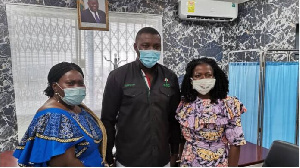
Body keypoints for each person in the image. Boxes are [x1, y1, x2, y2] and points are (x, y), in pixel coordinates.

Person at [101, 27, 181, 167]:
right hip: (128, 159)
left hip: (161, 159)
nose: (151, 50)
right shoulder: (118, 76)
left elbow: (174, 119)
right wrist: (107, 154)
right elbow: (108, 120)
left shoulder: (170, 77)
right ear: (135, 47)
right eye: (145, 45)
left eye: (156, 46)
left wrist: (174, 152)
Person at [13, 62, 107, 167]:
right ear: (55, 86)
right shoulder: (54, 117)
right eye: (70, 83)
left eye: (80, 83)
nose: (77, 87)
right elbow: (66, 164)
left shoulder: (77, 107)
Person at [176, 57, 246, 167]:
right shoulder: (185, 104)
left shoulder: (229, 104)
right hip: (189, 161)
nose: (203, 79)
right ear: (191, 79)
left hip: (218, 161)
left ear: (215, 77)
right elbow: (182, 139)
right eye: (198, 76)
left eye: (208, 75)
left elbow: (235, 143)